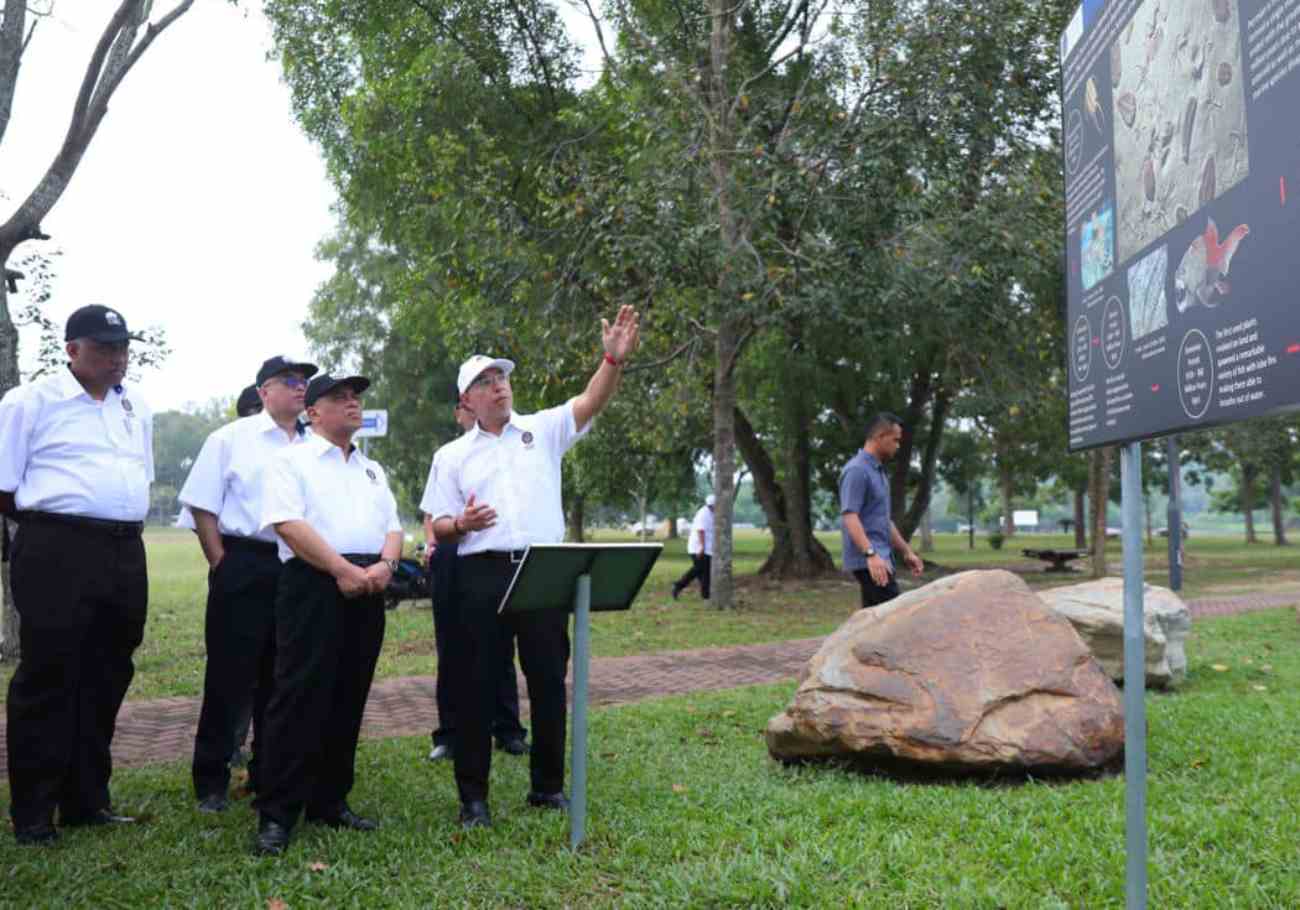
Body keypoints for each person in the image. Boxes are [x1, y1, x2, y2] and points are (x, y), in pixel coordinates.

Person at [424, 304, 640, 829]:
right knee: (476, 689)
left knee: (547, 682)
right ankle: (473, 799)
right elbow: (435, 524)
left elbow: (592, 400)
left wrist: (612, 357)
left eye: (501, 377)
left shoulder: (541, 431)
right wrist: (463, 524)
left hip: (545, 571)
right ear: (467, 400)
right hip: (482, 574)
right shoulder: (451, 456)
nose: (498, 386)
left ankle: (547, 788)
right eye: (485, 381)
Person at [0, 305, 153, 846]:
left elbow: (140, 475)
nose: (118, 359)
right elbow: (4, 486)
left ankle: (87, 799)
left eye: (123, 348)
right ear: (72, 350)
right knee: (49, 674)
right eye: (105, 348)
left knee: (109, 671)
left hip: (124, 548)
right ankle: (34, 812)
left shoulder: (134, 406)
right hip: (57, 546)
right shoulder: (29, 402)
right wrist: (49, 535)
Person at [250, 373, 403, 856]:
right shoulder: (289, 462)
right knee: (298, 698)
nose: (353, 403)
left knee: (348, 694)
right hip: (314, 584)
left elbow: (394, 526)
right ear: (313, 412)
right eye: (341, 397)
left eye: (357, 396)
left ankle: (330, 800)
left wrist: (385, 566)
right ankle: (277, 814)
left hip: (368, 583)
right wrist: (340, 570)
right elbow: (288, 525)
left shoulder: (371, 469)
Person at [179, 356, 317, 813]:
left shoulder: (314, 444)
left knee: (283, 676)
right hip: (246, 561)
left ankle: (269, 773)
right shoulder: (230, 439)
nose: (301, 389)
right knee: (229, 675)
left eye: (305, 382)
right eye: (290, 382)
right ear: (264, 391)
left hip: (299, 566)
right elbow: (203, 507)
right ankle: (210, 779)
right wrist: (222, 562)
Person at [425, 401, 527, 764]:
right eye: (468, 405)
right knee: (455, 648)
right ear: (461, 410)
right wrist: (435, 544)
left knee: (501, 650)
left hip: (495, 557)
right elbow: (433, 513)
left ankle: (508, 728)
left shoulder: (510, 449)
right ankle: (450, 733)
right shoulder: (451, 456)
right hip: (454, 555)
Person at [839, 412, 924, 609]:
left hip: (881, 556)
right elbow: (850, 516)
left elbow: (883, 520)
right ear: (880, 437)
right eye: (895, 440)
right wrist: (871, 555)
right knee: (894, 618)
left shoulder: (878, 472)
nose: (898, 445)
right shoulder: (857, 471)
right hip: (870, 561)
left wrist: (906, 551)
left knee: (874, 622)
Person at [671, 494, 715, 600]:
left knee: (702, 571)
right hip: (699, 548)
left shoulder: (710, 513)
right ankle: (679, 585)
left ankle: (705, 594)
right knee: (701, 571)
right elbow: (701, 530)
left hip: (705, 547)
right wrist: (702, 547)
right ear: (712, 505)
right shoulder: (704, 514)